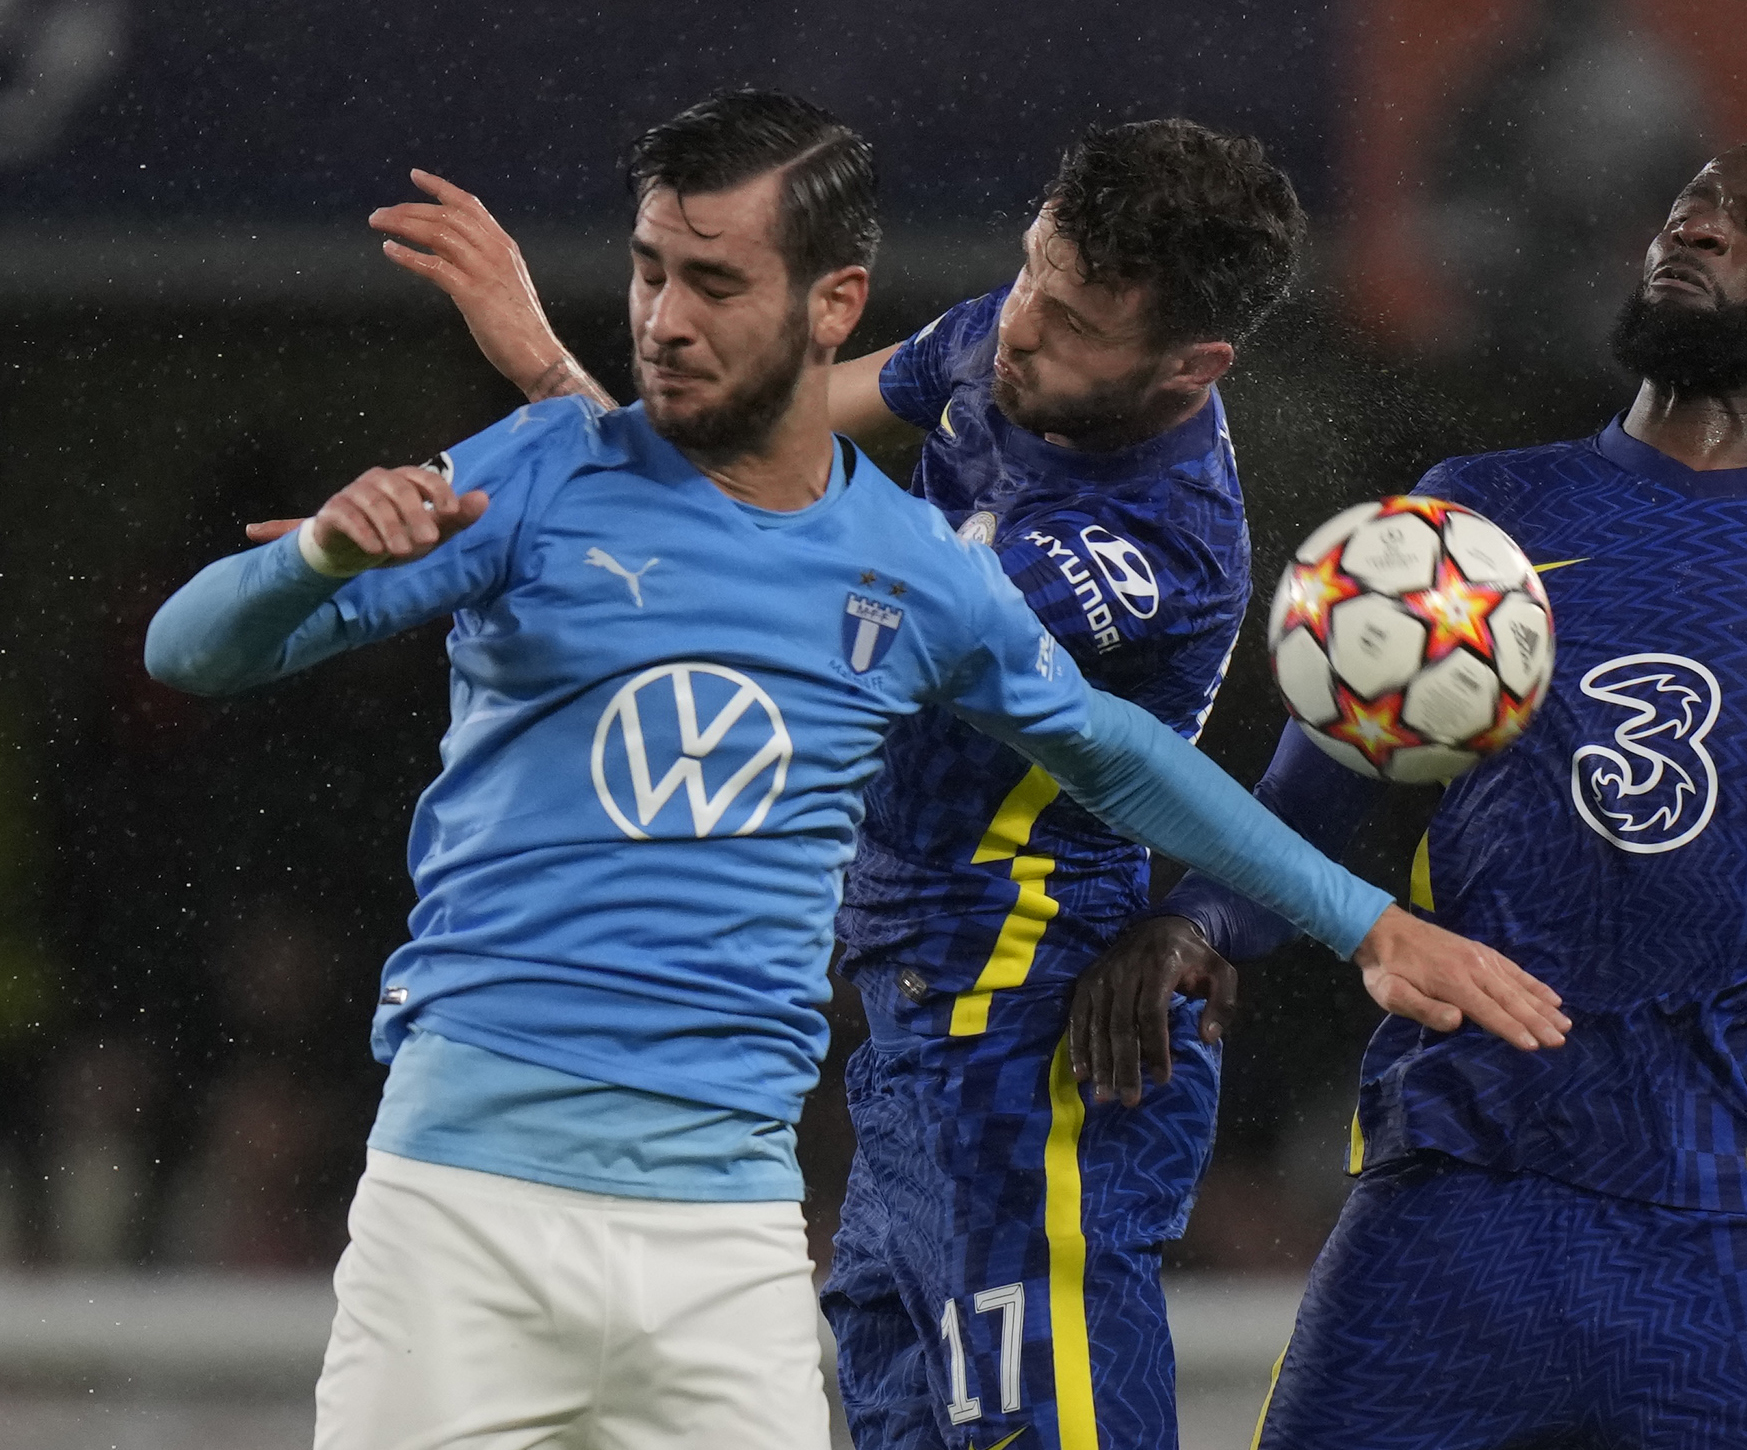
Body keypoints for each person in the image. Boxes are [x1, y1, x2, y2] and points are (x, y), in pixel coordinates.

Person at [146, 91, 1570, 1450]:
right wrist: (419, 513)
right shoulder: (973, 355)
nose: (1018, 329)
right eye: (649, 274)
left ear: (1189, 365)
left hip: (1027, 1033)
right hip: (732, 1095)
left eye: (1071, 321)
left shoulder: (1124, 560)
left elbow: (791, 570)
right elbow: (753, 463)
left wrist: (1362, 920)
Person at [1085, 139, 1747, 1449]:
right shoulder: (1475, 516)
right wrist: (1200, 921)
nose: (1699, 229)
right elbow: (1313, 798)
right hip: (1447, 1209)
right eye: (1689, 207)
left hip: (1722, 1230)